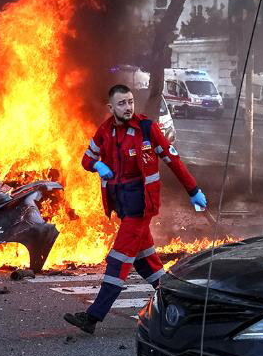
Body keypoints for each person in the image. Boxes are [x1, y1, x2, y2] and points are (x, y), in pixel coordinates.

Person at [64, 84, 206, 335]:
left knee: (118, 259)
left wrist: (193, 190)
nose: (128, 107)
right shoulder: (105, 132)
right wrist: (98, 166)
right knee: (146, 262)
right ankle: (185, 306)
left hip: (142, 208)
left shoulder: (147, 129)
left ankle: (93, 316)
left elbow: (173, 160)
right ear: (111, 107)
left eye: (130, 102)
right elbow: (86, 160)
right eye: (122, 103)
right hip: (123, 207)